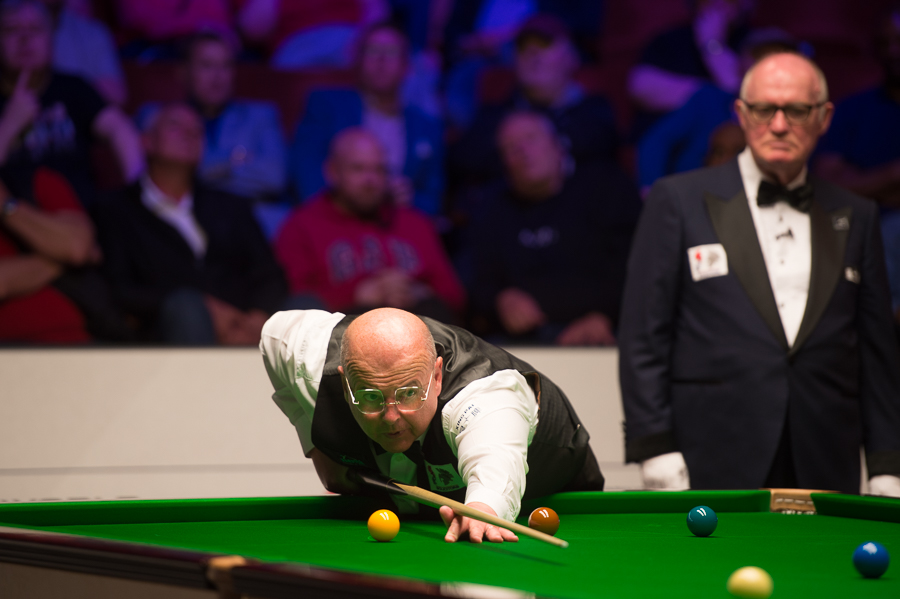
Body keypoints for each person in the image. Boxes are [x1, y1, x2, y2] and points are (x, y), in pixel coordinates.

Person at [618, 51, 900, 497]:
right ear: (742, 113)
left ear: (824, 117)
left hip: (826, 457)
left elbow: (877, 351)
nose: (780, 125)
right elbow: (643, 335)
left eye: (797, 110)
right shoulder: (678, 200)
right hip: (709, 452)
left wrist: (887, 463)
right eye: (765, 108)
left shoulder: (857, 214)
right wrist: (653, 445)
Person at [260, 306, 605, 543]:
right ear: (345, 379)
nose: (391, 417)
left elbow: (495, 461)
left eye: (409, 393)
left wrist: (484, 508)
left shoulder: (485, 398)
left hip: (549, 483)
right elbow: (272, 337)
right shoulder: (306, 352)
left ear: (437, 376)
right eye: (371, 397)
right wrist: (317, 445)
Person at [92, 103, 287, 345]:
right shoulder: (115, 210)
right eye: (175, 126)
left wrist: (257, 318)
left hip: (247, 328)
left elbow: (269, 274)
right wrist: (205, 309)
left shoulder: (231, 206)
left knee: (306, 309)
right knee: (188, 309)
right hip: (161, 335)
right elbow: (118, 288)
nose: (189, 134)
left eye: (197, 130)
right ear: (146, 141)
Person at [465, 111, 640, 344]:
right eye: (510, 148)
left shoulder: (606, 188)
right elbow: (478, 280)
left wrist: (606, 316)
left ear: (558, 146)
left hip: (603, 330)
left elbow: (636, 267)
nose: (523, 151)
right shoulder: (493, 208)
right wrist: (501, 299)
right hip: (525, 339)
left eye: (531, 138)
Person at [275, 128, 464, 323]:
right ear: (332, 172)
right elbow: (293, 302)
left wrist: (417, 291)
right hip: (343, 329)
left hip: (413, 328)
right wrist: (355, 294)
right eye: (358, 169)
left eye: (379, 170)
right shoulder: (302, 226)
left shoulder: (415, 224)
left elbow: (454, 295)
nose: (370, 181)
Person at [289, 22, 444, 216]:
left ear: (407, 66)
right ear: (358, 60)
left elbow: (433, 199)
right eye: (373, 51)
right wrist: (350, 205)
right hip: (334, 219)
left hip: (396, 223)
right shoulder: (326, 105)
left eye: (391, 52)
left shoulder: (427, 126)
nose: (381, 60)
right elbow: (306, 175)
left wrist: (410, 200)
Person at [450, 13, 618, 190]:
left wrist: (511, 150)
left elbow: (599, 159)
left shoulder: (595, 111)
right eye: (523, 47)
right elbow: (464, 160)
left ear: (571, 56)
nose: (533, 53)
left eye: (545, 44)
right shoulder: (494, 113)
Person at [0, 0, 143, 206]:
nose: (25, 38)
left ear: (52, 38)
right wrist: (9, 125)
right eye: (11, 30)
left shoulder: (73, 88)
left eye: (35, 29)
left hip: (79, 214)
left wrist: (139, 194)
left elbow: (119, 129)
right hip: (13, 215)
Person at [814, 4, 900, 324]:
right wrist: (893, 175)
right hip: (859, 228)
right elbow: (828, 185)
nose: (893, 51)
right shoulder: (853, 110)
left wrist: (864, 184)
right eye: (885, 43)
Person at [182, 32, 286, 203]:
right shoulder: (163, 118)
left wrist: (202, 172)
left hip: (250, 213)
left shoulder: (261, 116)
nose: (217, 76)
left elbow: (274, 178)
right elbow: (166, 178)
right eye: (207, 65)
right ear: (185, 71)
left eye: (226, 66)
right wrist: (236, 159)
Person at [627, 0, 753, 137]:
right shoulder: (669, 40)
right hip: (667, 141)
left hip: (730, 140)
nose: (718, 2)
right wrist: (712, 96)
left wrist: (712, 44)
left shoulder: (757, 43)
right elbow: (640, 87)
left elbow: (741, 93)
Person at [0, 167, 93, 342]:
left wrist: (6, 205)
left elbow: (76, 246)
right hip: (7, 348)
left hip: (79, 340)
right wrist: (59, 258)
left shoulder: (34, 180)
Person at [38, 0, 126, 105]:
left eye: (34, 29)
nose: (26, 37)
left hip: (81, 111)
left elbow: (117, 96)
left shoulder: (92, 33)